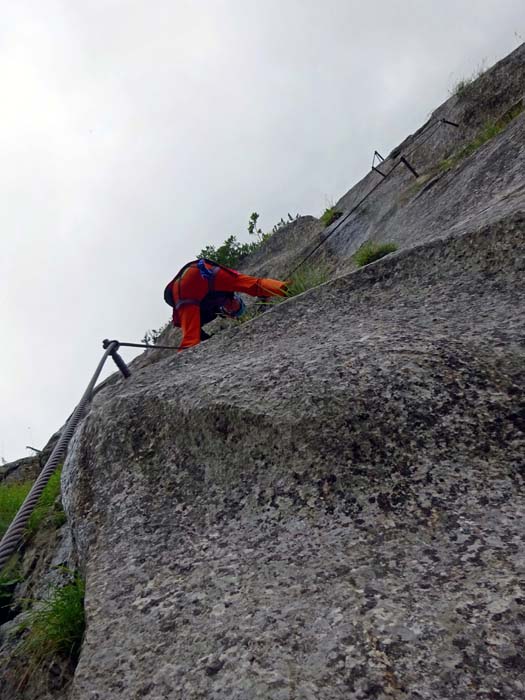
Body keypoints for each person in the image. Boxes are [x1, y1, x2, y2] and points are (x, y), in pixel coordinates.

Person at [164, 258, 288, 350]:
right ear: (236, 298)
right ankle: (284, 289)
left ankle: (283, 289)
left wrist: (207, 339)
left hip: (182, 287)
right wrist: (265, 294)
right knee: (253, 285)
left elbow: (196, 327)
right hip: (201, 273)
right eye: (236, 306)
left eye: (233, 310)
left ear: (227, 312)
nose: (232, 307)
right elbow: (252, 284)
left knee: (190, 340)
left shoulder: (210, 312)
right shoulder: (227, 290)